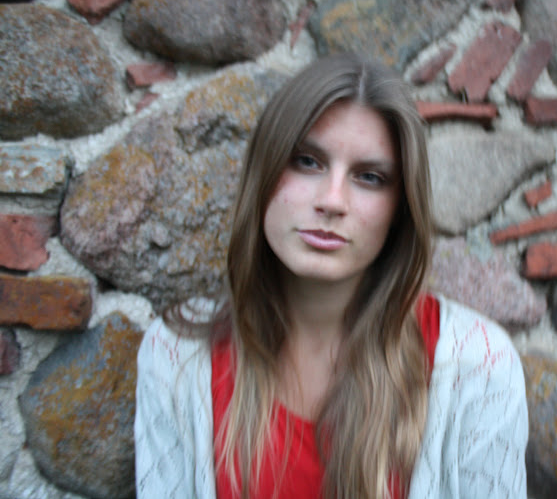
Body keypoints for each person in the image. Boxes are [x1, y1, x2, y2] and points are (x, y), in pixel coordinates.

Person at [135, 53, 528, 499]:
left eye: (369, 177)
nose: (332, 201)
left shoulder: (477, 367)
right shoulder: (178, 355)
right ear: (264, 172)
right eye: (307, 161)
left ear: (400, 210)